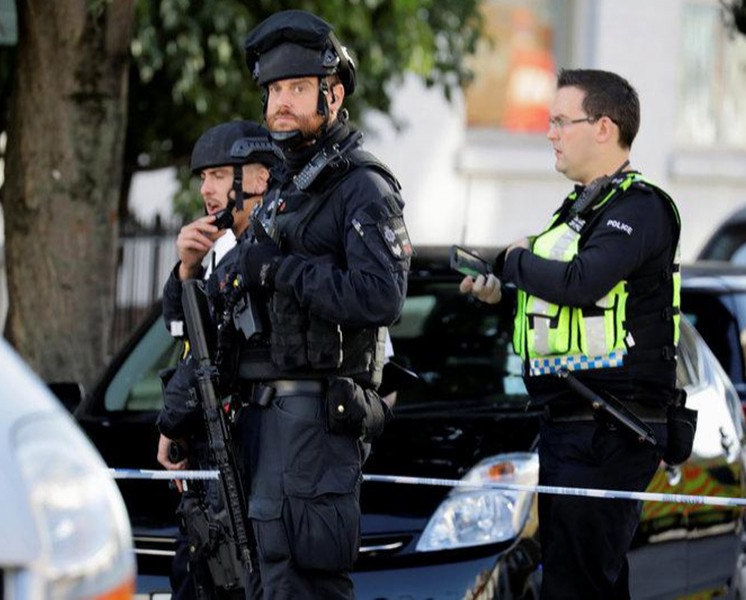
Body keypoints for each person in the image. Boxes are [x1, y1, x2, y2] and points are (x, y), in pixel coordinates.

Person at [201, 10, 411, 599]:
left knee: (303, 584)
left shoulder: (362, 187)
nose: (280, 104)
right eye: (272, 91)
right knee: (266, 579)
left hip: (316, 422)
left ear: (332, 94)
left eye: (296, 89)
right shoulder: (286, 191)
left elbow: (382, 295)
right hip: (261, 418)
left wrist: (280, 269)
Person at [460, 69, 681, 599]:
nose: (551, 134)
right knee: (580, 582)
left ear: (604, 128)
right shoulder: (582, 208)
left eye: (561, 121)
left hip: (613, 426)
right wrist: (502, 287)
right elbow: (565, 299)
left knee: (578, 586)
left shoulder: (641, 207)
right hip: (570, 423)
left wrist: (515, 261)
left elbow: (583, 283)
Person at [156, 120, 278, 600]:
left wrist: (170, 422)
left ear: (257, 179)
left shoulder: (261, 251)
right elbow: (181, 332)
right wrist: (185, 271)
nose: (206, 189)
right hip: (208, 452)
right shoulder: (214, 248)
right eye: (202, 177)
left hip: (246, 455)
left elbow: (219, 354)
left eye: (219, 175)